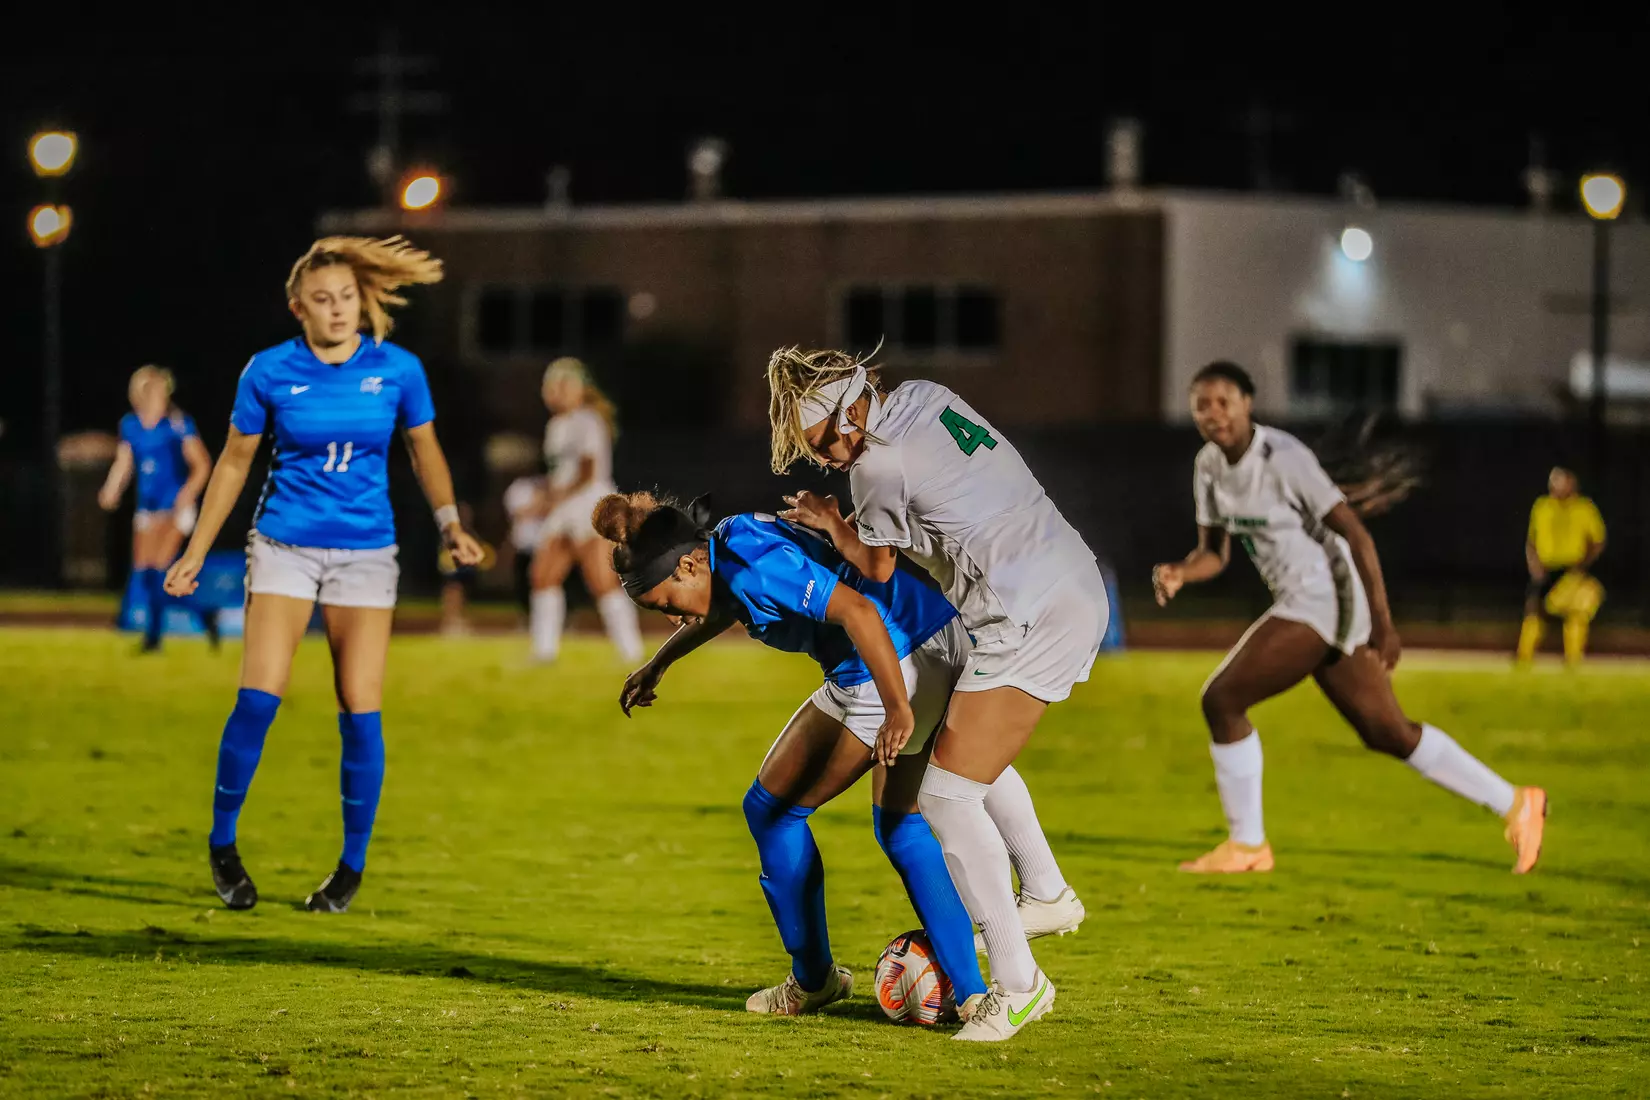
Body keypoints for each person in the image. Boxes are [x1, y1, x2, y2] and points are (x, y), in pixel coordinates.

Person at [604, 490, 1068, 1027]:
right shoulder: (727, 542)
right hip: (923, 637)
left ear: (688, 563)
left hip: (890, 660)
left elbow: (857, 611)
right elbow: (722, 602)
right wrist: (661, 663)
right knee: (899, 823)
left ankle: (816, 981)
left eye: (664, 604)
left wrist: (898, 709)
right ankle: (969, 990)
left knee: (779, 811)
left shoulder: (756, 567)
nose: (669, 618)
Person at [768, 347, 1095, 1042]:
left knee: (945, 794)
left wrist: (832, 523)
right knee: (967, 754)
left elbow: (878, 568)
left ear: (855, 407)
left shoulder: (875, 468)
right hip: (1061, 579)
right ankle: (1044, 892)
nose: (824, 455)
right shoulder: (923, 394)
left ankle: (1019, 983)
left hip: (1025, 611)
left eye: (825, 437)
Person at [165, 235, 483, 914]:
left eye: (346, 298)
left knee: (360, 710)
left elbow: (424, 451)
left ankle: (349, 869)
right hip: (285, 544)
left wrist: (451, 523)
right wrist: (195, 549)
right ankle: (223, 846)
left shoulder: (398, 370)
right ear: (296, 307)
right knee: (260, 697)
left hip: (367, 553)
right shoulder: (268, 371)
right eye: (322, 300)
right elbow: (231, 462)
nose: (338, 311)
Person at [1151, 361, 1547, 876]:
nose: (1213, 413)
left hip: (1320, 601)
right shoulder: (1208, 465)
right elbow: (1215, 553)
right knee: (1388, 732)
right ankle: (1515, 802)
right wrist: (1182, 572)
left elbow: (1357, 536)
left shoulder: (1285, 457)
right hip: (1312, 605)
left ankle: (1248, 845)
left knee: (1221, 700)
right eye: (1201, 403)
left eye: (1224, 400)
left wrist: (1384, 625)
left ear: (1249, 402)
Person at [528, 358, 643, 664]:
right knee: (543, 575)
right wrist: (545, 497)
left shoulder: (588, 420)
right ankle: (544, 652)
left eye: (563, 385)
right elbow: (559, 475)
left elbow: (588, 472)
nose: (556, 392)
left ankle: (632, 652)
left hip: (592, 506)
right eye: (551, 386)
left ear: (579, 389)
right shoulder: (555, 425)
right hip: (564, 507)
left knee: (601, 580)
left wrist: (551, 498)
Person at [97, 366, 218, 651]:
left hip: (174, 508)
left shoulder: (177, 425)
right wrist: (112, 489)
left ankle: (153, 639)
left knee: (161, 568)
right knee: (147, 573)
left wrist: (186, 495)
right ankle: (204, 614)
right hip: (147, 507)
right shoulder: (131, 425)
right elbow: (124, 463)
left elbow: (202, 465)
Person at [1518, 467, 1606, 667]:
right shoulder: (1542, 506)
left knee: (1576, 613)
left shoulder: (1584, 508)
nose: (1554, 486)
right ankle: (1524, 656)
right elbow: (1531, 541)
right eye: (1552, 482)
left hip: (1571, 569)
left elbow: (1598, 541)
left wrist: (1582, 565)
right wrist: (1534, 566)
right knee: (1535, 611)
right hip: (1546, 569)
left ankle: (1573, 659)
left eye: (1559, 482)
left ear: (1571, 484)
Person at [504, 466, 549, 620]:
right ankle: (526, 618)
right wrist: (538, 504)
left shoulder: (546, 483)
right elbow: (517, 513)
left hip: (545, 545)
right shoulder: (518, 487)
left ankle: (555, 619)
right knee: (523, 585)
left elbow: (549, 509)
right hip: (523, 545)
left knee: (549, 583)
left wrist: (538, 506)